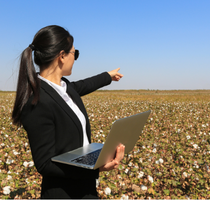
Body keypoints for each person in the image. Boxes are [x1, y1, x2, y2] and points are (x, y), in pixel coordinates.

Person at [11, 25, 125, 199]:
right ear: (62, 56)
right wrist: (94, 167)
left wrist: (107, 76)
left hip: (85, 187)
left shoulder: (65, 87)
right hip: (63, 193)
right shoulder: (37, 102)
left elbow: (84, 85)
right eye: (75, 53)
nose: (76, 58)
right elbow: (44, 164)